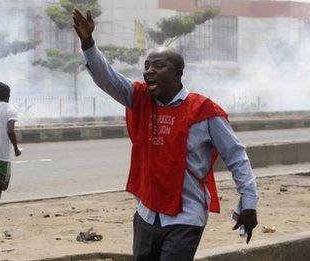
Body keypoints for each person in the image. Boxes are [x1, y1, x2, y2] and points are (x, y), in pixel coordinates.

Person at [72, 9, 258, 260]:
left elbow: (236, 156)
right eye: (147, 66)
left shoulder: (204, 111)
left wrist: (249, 202)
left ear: (178, 74)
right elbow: (108, 79)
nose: (149, 71)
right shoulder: (138, 98)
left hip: (185, 216)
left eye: (158, 66)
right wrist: (88, 43)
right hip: (147, 213)